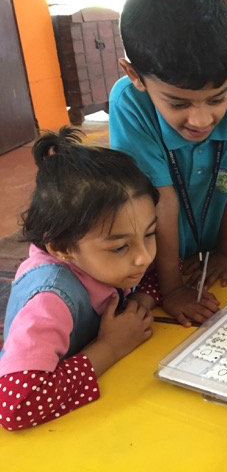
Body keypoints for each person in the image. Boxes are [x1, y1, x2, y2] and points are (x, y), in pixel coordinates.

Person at [109, 0, 227, 326]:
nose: (200, 120)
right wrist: (171, 289)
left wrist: (226, 253)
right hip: (156, 260)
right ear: (134, 75)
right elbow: (161, 201)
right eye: (179, 104)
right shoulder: (128, 104)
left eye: (217, 98)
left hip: (210, 248)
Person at [0, 128, 157, 431]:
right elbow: (16, 408)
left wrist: (138, 304)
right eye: (121, 246)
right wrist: (112, 345)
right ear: (61, 248)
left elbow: (159, 271)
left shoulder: (104, 256)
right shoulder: (50, 299)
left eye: (150, 234)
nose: (144, 257)